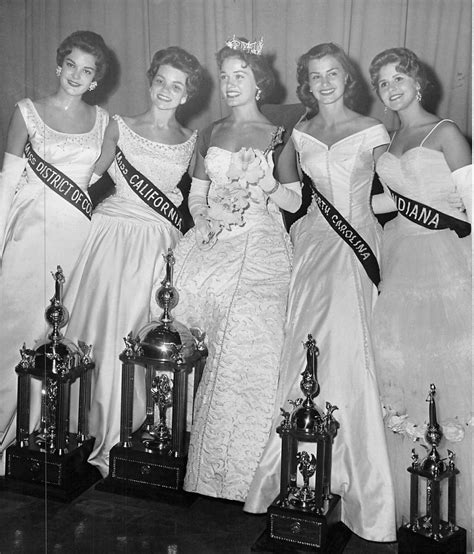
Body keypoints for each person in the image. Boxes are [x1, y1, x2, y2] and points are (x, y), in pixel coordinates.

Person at [245, 43, 396, 543]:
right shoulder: (300, 133)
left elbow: (391, 192)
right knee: (305, 348)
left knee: (348, 349)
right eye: (315, 75)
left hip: (355, 245)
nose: (325, 82)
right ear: (304, 83)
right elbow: (290, 195)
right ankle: (299, 476)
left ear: (346, 79)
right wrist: (263, 184)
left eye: (333, 73)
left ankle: (354, 481)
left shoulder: (374, 131)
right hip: (311, 245)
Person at [153, 36, 302, 503]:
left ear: (259, 83)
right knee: (179, 313)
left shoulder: (282, 136)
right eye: (227, 76)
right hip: (213, 239)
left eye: (242, 75)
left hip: (260, 243)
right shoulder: (211, 132)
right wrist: (210, 221)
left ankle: (245, 473)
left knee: (244, 334)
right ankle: (168, 447)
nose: (232, 84)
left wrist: (267, 186)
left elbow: (295, 201)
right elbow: (195, 194)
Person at [63, 46, 204, 478]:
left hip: (159, 244)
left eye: (176, 86)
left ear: (186, 95)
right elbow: (88, 176)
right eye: (160, 80)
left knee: (144, 332)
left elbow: (198, 201)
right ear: (150, 81)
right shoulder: (118, 127)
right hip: (110, 237)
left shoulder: (194, 141)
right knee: (100, 328)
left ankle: (138, 430)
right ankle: (86, 426)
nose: (165, 90)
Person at [368, 47, 472, 549]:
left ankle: (454, 514)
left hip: (443, 263)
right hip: (400, 262)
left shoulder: (448, 133)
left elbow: (472, 210)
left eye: (399, 78)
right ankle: (414, 509)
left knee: (447, 376)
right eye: (383, 83)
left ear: (419, 81)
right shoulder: (388, 140)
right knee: (403, 372)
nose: (391, 89)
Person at [0, 30, 110, 475]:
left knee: (58, 337)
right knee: (14, 331)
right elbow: (8, 182)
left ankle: (35, 437)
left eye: (87, 71)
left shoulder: (105, 122)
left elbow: (103, 180)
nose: (76, 76)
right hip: (30, 235)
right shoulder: (27, 112)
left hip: (77, 239)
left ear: (96, 80)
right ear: (58, 65)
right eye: (71, 65)